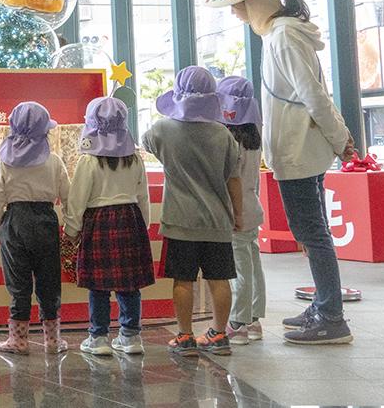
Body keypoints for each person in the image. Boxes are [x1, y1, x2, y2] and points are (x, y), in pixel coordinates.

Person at [205, 0, 355, 345]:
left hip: (299, 152)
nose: (234, 12)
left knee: (313, 234)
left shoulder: (283, 36)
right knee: (313, 233)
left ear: (254, 1)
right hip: (298, 150)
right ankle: (324, 304)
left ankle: (332, 316)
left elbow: (313, 96)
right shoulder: (279, 34)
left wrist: (342, 139)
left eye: (237, 3)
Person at [142, 66, 244, 357]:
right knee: (219, 278)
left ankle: (184, 335)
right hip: (217, 220)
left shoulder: (163, 130)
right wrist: (238, 215)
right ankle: (219, 334)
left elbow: (146, 143)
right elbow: (233, 179)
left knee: (183, 279)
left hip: (179, 221)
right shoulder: (223, 134)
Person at [63, 97, 153, 356]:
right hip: (130, 220)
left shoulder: (89, 161)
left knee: (98, 286)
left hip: (98, 223)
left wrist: (71, 229)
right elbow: (142, 195)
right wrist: (142, 226)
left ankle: (99, 336)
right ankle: (130, 336)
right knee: (130, 284)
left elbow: (77, 199)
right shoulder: (134, 159)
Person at [0, 102, 70, 355]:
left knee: (18, 282)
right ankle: (52, 340)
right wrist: (70, 223)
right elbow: (67, 195)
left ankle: (18, 340)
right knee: (49, 281)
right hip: (45, 220)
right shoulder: (55, 161)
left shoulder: (6, 162)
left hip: (14, 221)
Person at [216, 76, 267, 345]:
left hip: (235, 210)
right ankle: (255, 318)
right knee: (253, 262)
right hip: (252, 205)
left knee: (239, 268)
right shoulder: (254, 136)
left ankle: (238, 322)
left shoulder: (227, 138)